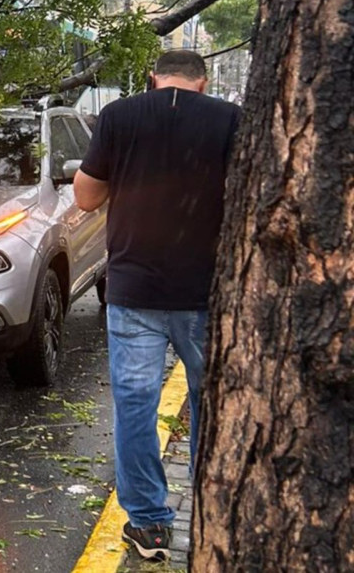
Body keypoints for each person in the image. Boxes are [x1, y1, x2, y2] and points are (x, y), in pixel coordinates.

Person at [73, 50, 241, 562]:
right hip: (206, 289)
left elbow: (85, 197)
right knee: (213, 404)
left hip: (135, 288)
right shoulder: (230, 119)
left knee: (136, 407)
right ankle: (212, 512)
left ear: (153, 78)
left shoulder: (119, 116)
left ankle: (148, 525)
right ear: (203, 81)